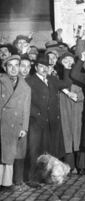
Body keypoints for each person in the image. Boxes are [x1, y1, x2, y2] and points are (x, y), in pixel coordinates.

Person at [25, 55, 71, 181]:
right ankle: (32, 178)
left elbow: (67, 83)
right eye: (41, 66)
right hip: (37, 122)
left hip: (52, 122)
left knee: (50, 150)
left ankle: (47, 176)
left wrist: (66, 69)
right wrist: (36, 115)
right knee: (35, 151)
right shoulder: (30, 81)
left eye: (47, 67)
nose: (44, 69)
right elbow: (27, 102)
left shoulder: (52, 79)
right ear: (36, 67)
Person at [0, 55, 31, 192]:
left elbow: (26, 108)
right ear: (4, 67)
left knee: (9, 154)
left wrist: (24, 127)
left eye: (16, 65)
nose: (13, 69)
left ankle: (6, 183)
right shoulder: (1, 82)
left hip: (15, 124)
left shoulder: (25, 87)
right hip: (2, 122)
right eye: (10, 65)